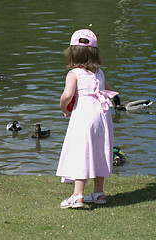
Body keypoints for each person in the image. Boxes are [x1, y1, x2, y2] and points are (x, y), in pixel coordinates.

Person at [56, 29, 119, 209]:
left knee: (81, 152)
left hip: (84, 116)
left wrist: (64, 108)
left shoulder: (74, 74)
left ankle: (77, 195)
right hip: (102, 115)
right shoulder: (100, 72)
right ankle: (98, 192)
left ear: (72, 53)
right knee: (100, 150)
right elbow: (107, 91)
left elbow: (67, 95)